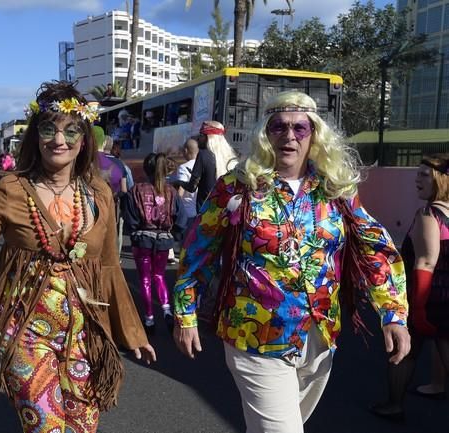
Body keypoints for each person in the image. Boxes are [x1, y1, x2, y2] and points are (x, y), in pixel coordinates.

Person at [172, 91, 410, 433]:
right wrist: (185, 313)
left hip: (319, 337)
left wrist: (393, 313)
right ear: (265, 134)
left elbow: (375, 247)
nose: (289, 136)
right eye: (279, 126)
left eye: (300, 128)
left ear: (314, 135)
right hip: (254, 335)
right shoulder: (237, 187)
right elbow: (198, 251)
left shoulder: (335, 189)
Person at [0, 80, 155, 433]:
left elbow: (110, 266)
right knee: (48, 429)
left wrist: (132, 331)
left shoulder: (99, 193)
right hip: (24, 333)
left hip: (85, 336)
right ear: (36, 136)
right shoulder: (11, 188)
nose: (59, 140)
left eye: (71, 131)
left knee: (82, 427)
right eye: (49, 129)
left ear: (84, 140)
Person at [370, 153, 449, 421]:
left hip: (429, 299)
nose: (418, 179)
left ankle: (394, 405)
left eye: (425, 175)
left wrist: (416, 308)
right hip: (444, 299)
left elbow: (426, 261)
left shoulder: (430, 214)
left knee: (402, 352)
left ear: (440, 179)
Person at [122, 152, 182, 335]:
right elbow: (179, 218)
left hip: (142, 240)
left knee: (145, 279)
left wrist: (135, 231)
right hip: (164, 240)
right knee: (159, 276)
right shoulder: (171, 191)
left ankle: (149, 318)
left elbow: (131, 219)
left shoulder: (136, 190)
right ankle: (166, 310)